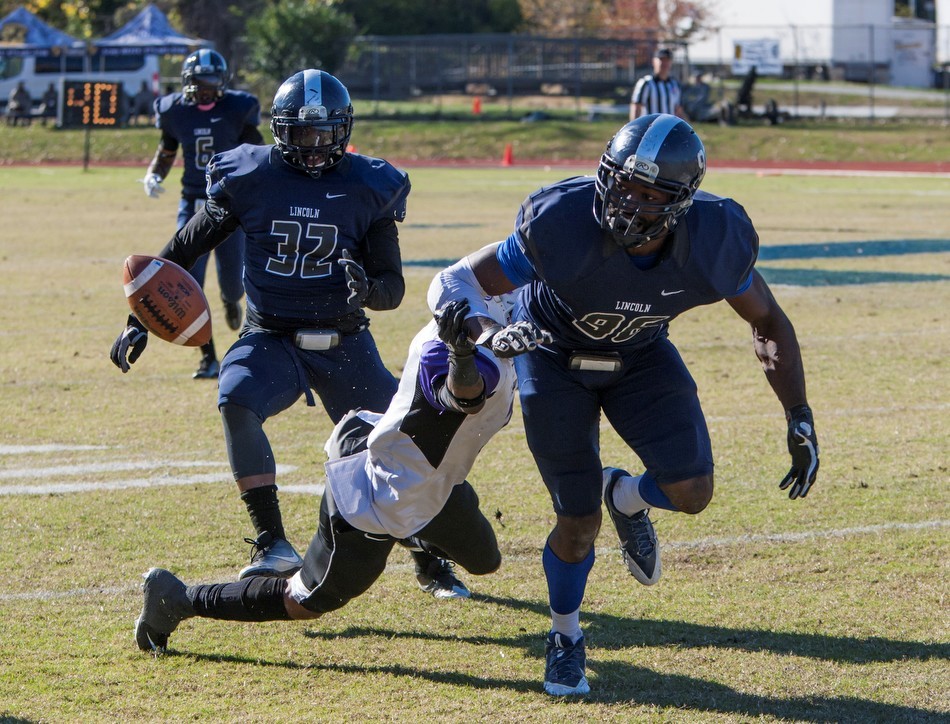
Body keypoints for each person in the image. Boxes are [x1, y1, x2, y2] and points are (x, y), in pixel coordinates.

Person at [429, 114, 821, 696]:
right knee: (577, 521)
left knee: (693, 491)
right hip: (551, 356)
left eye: (650, 194)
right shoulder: (562, 218)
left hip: (640, 355)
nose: (628, 203)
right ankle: (565, 635)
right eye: (622, 183)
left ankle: (627, 495)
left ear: (681, 201)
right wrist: (486, 332)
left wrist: (798, 413)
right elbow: (457, 281)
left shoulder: (715, 238)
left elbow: (768, 320)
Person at [113, 68, 466, 598]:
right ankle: (271, 542)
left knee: (403, 447)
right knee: (236, 399)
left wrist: (367, 288)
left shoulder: (370, 185)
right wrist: (138, 319)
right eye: (303, 133)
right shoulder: (250, 175)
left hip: (344, 340)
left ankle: (429, 557)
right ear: (280, 130)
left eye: (326, 133)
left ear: (344, 130)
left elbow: (392, 289)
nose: (316, 146)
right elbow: (185, 247)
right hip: (271, 335)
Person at [132, 292, 552, 654]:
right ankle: (177, 600)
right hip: (375, 486)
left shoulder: (495, 312)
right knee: (306, 599)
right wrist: (464, 353)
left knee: (485, 559)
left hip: (429, 482)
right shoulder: (445, 348)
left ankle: (412, 534)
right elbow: (461, 392)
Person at [142, 49, 263, 379]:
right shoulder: (174, 111)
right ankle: (208, 358)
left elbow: (257, 152)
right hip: (193, 202)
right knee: (187, 284)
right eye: (200, 82)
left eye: (212, 83)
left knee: (232, 284)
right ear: (187, 82)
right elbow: (167, 148)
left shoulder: (238, 108)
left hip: (229, 204)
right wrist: (154, 173)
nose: (206, 89)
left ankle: (230, 300)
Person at [629, 47, 684, 120]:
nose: (664, 63)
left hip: (668, 126)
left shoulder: (674, 84)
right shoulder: (646, 83)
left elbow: (678, 109)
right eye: (661, 59)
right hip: (650, 125)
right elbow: (636, 107)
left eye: (667, 60)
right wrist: (634, 125)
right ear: (654, 61)